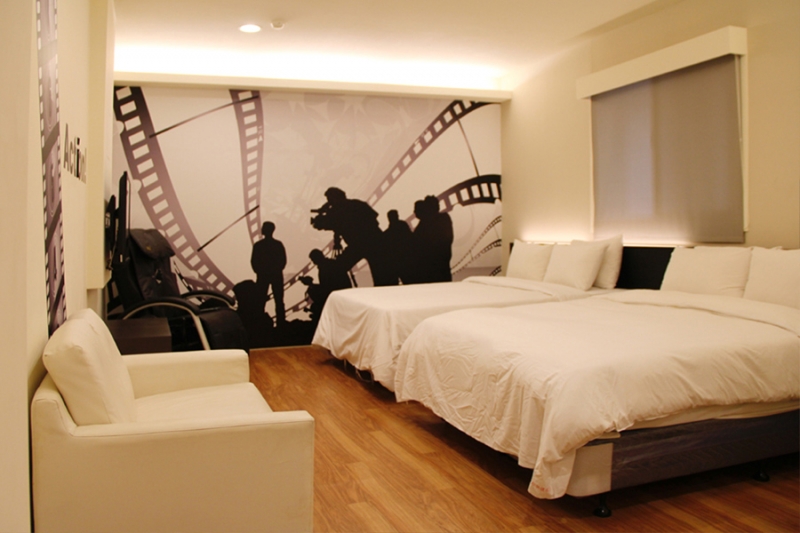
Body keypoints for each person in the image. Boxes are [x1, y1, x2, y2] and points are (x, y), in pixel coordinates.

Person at [250, 221, 287, 325]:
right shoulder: (278, 245)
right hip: (276, 275)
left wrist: (259, 271)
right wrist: (276, 270)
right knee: (279, 300)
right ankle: (281, 323)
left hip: (263, 276)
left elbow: (254, 261)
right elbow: (283, 261)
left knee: (261, 300)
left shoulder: (258, 245)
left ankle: (259, 323)